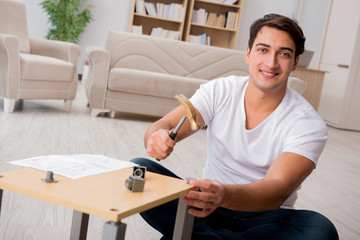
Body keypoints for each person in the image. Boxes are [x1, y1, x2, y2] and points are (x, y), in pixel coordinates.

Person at [131, 13, 338, 240]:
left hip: (265, 218)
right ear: (248, 54)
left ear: (296, 62)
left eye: (284, 54)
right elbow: (165, 124)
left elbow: (277, 190)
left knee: (321, 230)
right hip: (205, 205)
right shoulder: (221, 90)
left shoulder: (307, 123)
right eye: (263, 50)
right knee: (138, 170)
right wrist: (155, 137)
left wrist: (224, 194)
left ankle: (194, 235)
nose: (271, 62)